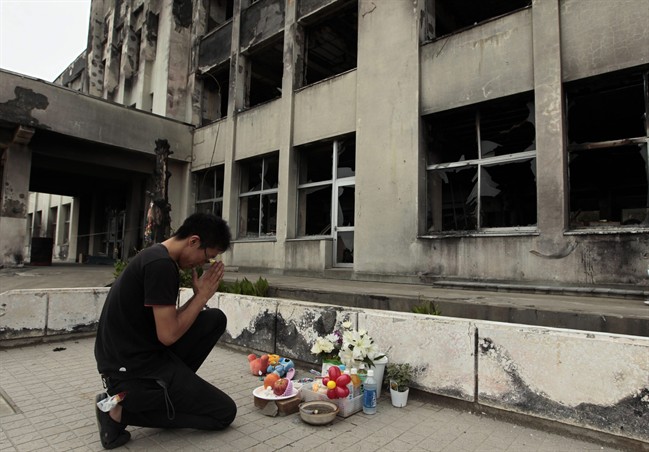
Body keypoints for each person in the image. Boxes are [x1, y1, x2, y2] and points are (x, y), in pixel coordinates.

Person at [94, 213, 237, 449]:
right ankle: (116, 411)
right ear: (193, 241)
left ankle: (167, 392)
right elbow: (169, 334)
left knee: (213, 319)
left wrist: (200, 298)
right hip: (132, 372)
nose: (202, 265)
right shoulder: (160, 265)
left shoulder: (159, 258)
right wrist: (201, 297)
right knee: (223, 413)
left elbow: (169, 323)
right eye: (207, 257)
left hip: (144, 356)